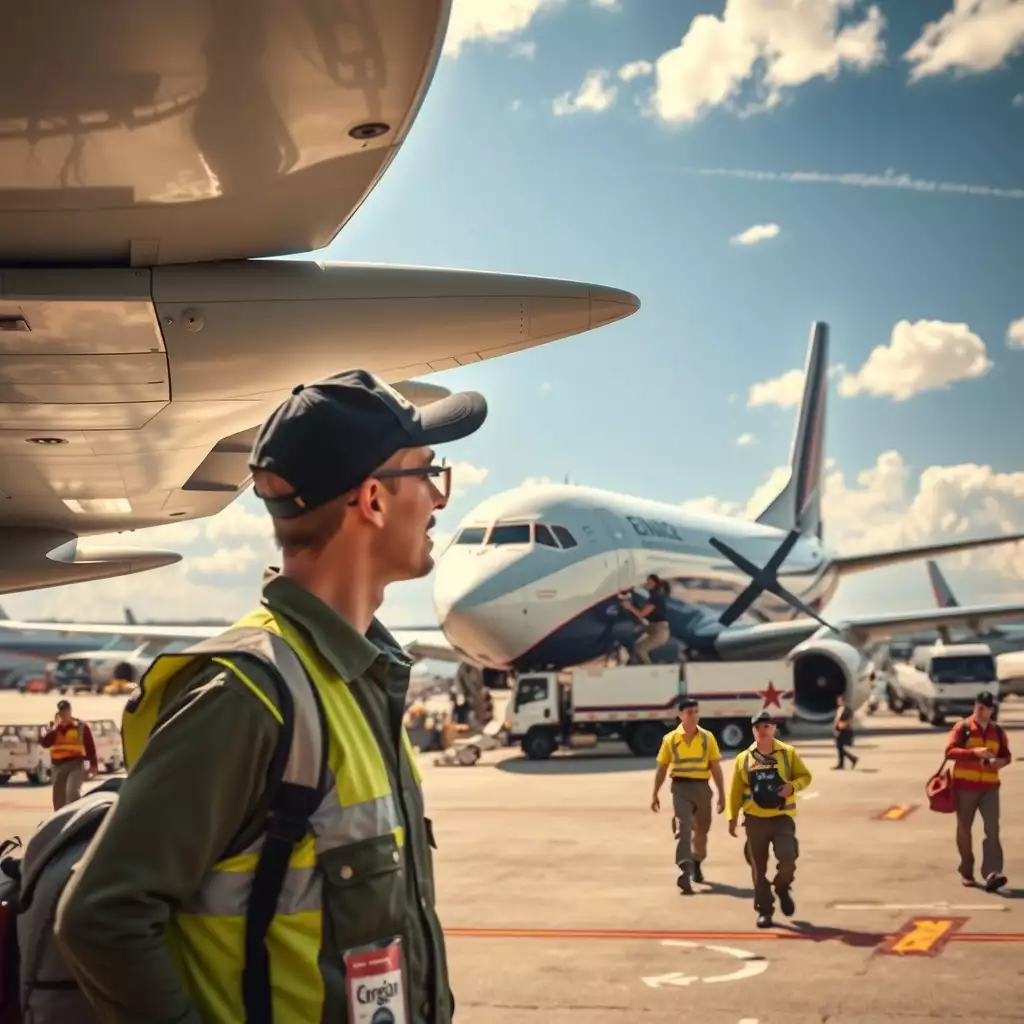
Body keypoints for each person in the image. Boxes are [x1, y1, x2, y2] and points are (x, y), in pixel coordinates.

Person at [55, 369, 487, 1024]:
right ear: (372, 499)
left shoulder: (361, 680)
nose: (437, 498)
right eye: (427, 474)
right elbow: (102, 916)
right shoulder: (248, 695)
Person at [727, 710, 812, 928]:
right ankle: (764, 910)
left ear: (774, 728)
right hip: (755, 819)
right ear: (753, 730)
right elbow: (736, 790)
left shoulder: (787, 753)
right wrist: (732, 816)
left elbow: (805, 776)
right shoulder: (743, 758)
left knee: (788, 858)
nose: (762, 730)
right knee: (759, 867)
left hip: (782, 817)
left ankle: (782, 887)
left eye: (767, 726)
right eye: (758, 727)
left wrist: (792, 786)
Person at [650, 697, 726, 894]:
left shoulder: (708, 738)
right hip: (680, 788)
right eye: (689, 712)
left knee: (701, 831)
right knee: (684, 828)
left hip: (702, 788)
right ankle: (685, 868)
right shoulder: (670, 739)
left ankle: (697, 861)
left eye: (696, 712)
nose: (694, 716)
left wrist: (722, 795)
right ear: (680, 715)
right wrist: (655, 793)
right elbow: (662, 768)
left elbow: (716, 768)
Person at [944, 691, 1011, 892]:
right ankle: (966, 870)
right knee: (964, 829)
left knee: (992, 829)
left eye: (988, 708)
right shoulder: (962, 728)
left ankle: (992, 872)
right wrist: (975, 753)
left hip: (990, 788)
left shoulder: (997, 731)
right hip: (965, 788)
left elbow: (1006, 755)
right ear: (976, 706)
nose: (984, 711)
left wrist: (1000, 762)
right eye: (981, 707)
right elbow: (949, 752)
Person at [38, 699, 97, 810]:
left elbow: (90, 747)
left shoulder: (80, 726)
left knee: (72, 792)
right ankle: (61, 821)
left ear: (70, 711)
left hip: (75, 764)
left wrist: (93, 766)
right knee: (59, 799)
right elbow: (45, 743)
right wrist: (55, 728)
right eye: (61, 712)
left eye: (66, 711)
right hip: (58, 766)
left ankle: (76, 815)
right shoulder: (52, 727)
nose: (64, 715)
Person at [621, 574, 671, 664]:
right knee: (634, 643)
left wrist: (629, 607)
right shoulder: (653, 596)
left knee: (640, 649)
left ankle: (648, 669)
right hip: (653, 627)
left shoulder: (655, 597)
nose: (646, 583)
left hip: (658, 630)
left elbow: (642, 613)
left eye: (649, 581)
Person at [832, 694, 858, 770]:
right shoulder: (839, 709)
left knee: (839, 747)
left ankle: (849, 760)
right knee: (839, 747)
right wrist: (835, 729)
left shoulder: (848, 709)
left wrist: (843, 725)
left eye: (839, 700)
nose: (838, 702)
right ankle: (844, 763)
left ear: (843, 701)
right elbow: (836, 720)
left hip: (845, 730)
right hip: (839, 729)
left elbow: (849, 720)